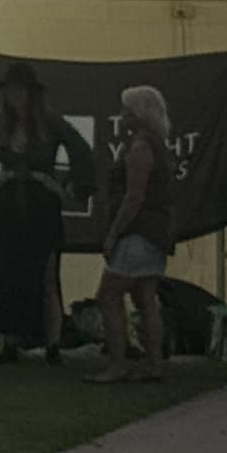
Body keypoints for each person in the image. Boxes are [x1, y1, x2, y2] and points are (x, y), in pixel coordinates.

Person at [0, 61, 94, 364]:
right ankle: (10, 342)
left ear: (30, 92)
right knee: (9, 273)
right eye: (11, 90)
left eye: (20, 90)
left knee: (47, 274)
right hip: (9, 204)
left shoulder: (50, 121)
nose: (15, 96)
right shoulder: (0, 123)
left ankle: (52, 344)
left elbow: (80, 149)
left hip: (40, 203)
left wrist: (63, 187)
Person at [89, 85, 175, 385]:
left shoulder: (139, 149)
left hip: (137, 233)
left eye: (126, 110)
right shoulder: (158, 145)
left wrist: (113, 234)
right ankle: (154, 364)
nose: (121, 116)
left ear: (139, 115)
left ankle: (118, 363)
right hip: (157, 233)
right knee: (145, 297)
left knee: (108, 295)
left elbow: (133, 198)